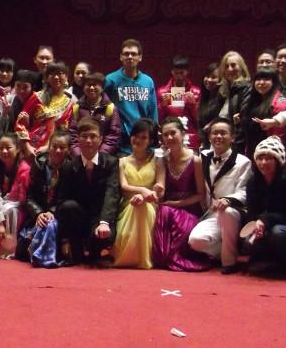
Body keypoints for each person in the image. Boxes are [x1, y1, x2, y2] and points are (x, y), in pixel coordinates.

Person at [188, 118, 253, 274]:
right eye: (215, 133)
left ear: (232, 137)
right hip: (211, 213)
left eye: (223, 133)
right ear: (209, 137)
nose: (218, 136)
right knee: (195, 241)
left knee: (227, 212)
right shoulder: (202, 157)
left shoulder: (243, 162)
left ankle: (229, 261)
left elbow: (245, 191)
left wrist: (228, 200)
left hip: (234, 212)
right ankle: (228, 249)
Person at [53, 116, 120, 266]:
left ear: (101, 139)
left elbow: (112, 194)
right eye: (84, 136)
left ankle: (95, 251)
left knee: (102, 239)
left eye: (93, 136)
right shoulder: (68, 167)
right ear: (78, 139)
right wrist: (64, 238)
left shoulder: (111, 163)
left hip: (100, 218)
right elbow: (61, 200)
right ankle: (76, 252)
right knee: (68, 206)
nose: (89, 141)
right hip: (78, 218)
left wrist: (104, 222)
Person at [241, 136, 286, 278]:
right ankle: (268, 263)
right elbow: (252, 211)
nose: (263, 162)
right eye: (260, 158)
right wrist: (256, 224)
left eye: (269, 158)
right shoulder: (252, 182)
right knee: (248, 239)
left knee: (278, 233)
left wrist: (265, 220)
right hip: (262, 223)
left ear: (278, 160)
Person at [152, 117, 211, 271]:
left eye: (173, 133)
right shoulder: (162, 161)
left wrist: (178, 204)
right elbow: (161, 189)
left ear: (183, 134)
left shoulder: (195, 160)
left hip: (189, 208)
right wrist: (158, 190)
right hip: (168, 209)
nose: (169, 137)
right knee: (165, 211)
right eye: (166, 135)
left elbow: (200, 194)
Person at [113, 119, 165, 269]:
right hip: (128, 203)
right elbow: (124, 187)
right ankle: (136, 256)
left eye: (144, 137)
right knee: (137, 205)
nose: (138, 140)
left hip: (151, 203)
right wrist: (142, 191)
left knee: (142, 206)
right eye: (135, 135)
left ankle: (142, 257)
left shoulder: (158, 161)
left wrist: (149, 194)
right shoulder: (122, 161)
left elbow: (161, 188)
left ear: (150, 141)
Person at [20, 130, 72, 266]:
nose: (58, 150)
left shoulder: (72, 168)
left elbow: (68, 197)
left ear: (69, 150)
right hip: (39, 214)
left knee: (50, 225)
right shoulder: (38, 165)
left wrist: (52, 212)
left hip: (61, 216)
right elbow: (29, 197)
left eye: (62, 147)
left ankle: (43, 254)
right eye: (54, 146)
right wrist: (39, 214)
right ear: (49, 147)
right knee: (20, 252)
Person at [104, 38, 158, 155]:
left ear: (140, 57)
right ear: (121, 57)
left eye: (133, 54)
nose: (129, 57)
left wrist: (153, 139)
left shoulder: (148, 81)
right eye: (126, 54)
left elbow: (153, 112)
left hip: (144, 141)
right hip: (120, 144)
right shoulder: (110, 80)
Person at [15, 61, 74, 158]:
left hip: (54, 149)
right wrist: (27, 146)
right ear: (46, 77)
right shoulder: (37, 97)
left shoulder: (69, 103)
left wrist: (47, 147)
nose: (56, 77)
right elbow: (20, 122)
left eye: (60, 73)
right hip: (30, 146)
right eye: (52, 74)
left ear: (66, 77)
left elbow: (63, 130)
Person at [68, 71, 121, 157]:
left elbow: (113, 135)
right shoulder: (77, 108)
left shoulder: (110, 108)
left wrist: (99, 156)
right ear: (83, 88)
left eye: (95, 85)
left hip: (104, 157)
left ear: (102, 88)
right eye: (88, 85)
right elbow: (72, 134)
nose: (91, 88)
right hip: (80, 157)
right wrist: (79, 156)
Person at [241, 67, 286, 159]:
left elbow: (279, 138)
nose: (261, 82)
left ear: (274, 82)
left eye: (266, 79)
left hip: (271, 156)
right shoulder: (253, 101)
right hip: (253, 151)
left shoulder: (280, 104)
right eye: (258, 79)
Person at [157, 54, 201, 151]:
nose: (179, 76)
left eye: (182, 73)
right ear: (172, 71)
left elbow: (199, 121)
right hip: (169, 137)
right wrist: (163, 106)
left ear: (187, 72)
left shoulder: (196, 92)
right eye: (176, 73)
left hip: (190, 138)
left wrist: (192, 106)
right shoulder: (162, 92)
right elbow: (158, 120)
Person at [216, 50, 251, 153]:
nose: (230, 69)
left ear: (241, 68)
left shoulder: (246, 88)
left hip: (236, 145)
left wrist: (235, 147)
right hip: (221, 142)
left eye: (233, 65)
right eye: (226, 66)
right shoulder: (223, 90)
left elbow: (242, 122)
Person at [197, 63, 221, 149]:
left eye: (214, 77)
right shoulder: (204, 98)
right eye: (207, 76)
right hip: (206, 143)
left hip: (219, 143)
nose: (209, 80)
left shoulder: (223, 98)